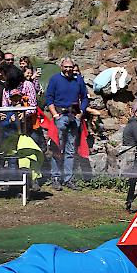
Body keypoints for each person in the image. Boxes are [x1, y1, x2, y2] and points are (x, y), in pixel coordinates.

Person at [45, 57, 89, 191]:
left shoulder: (78, 79)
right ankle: (56, 178)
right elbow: (49, 98)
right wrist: (55, 114)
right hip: (60, 116)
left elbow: (85, 97)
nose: (68, 69)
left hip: (74, 117)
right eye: (66, 67)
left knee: (70, 150)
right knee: (57, 148)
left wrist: (81, 112)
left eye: (70, 67)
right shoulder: (54, 79)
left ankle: (68, 179)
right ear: (61, 66)